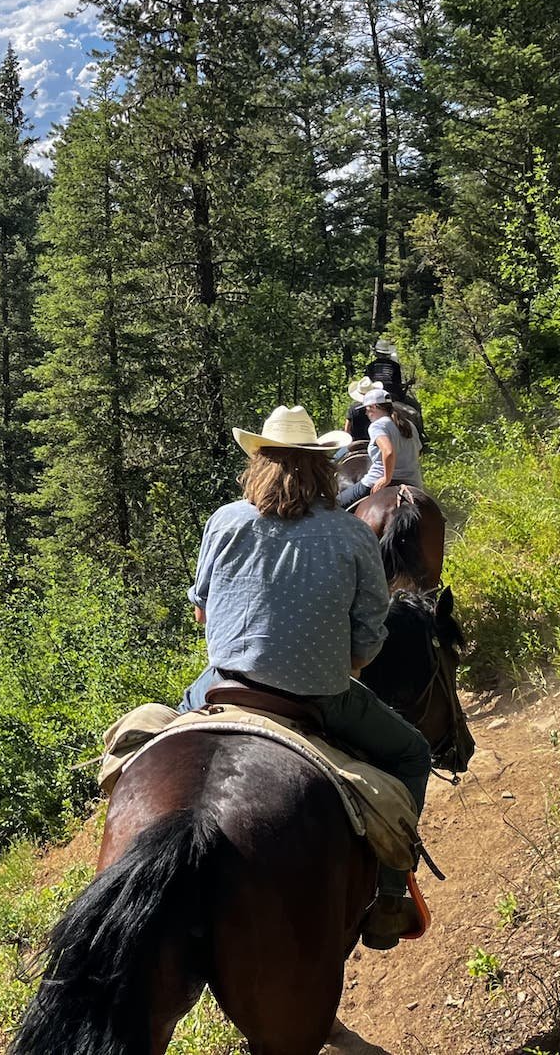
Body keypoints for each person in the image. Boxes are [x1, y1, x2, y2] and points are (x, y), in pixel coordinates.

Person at [177, 404, 430, 949]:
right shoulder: (352, 535)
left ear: (258, 464)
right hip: (318, 694)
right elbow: (369, 635)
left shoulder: (225, 520)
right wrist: (343, 662)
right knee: (412, 754)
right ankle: (390, 896)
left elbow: (201, 612)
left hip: (224, 681)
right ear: (323, 466)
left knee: (167, 746)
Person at [338, 383, 424, 510]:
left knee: (334, 505)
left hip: (376, 479)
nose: (366, 413)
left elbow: (388, 451)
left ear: (373, 407)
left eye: (367, 409)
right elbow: (418, 450)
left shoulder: (377, 426)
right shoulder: (409, 425)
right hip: (413, 482)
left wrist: (386, 479)